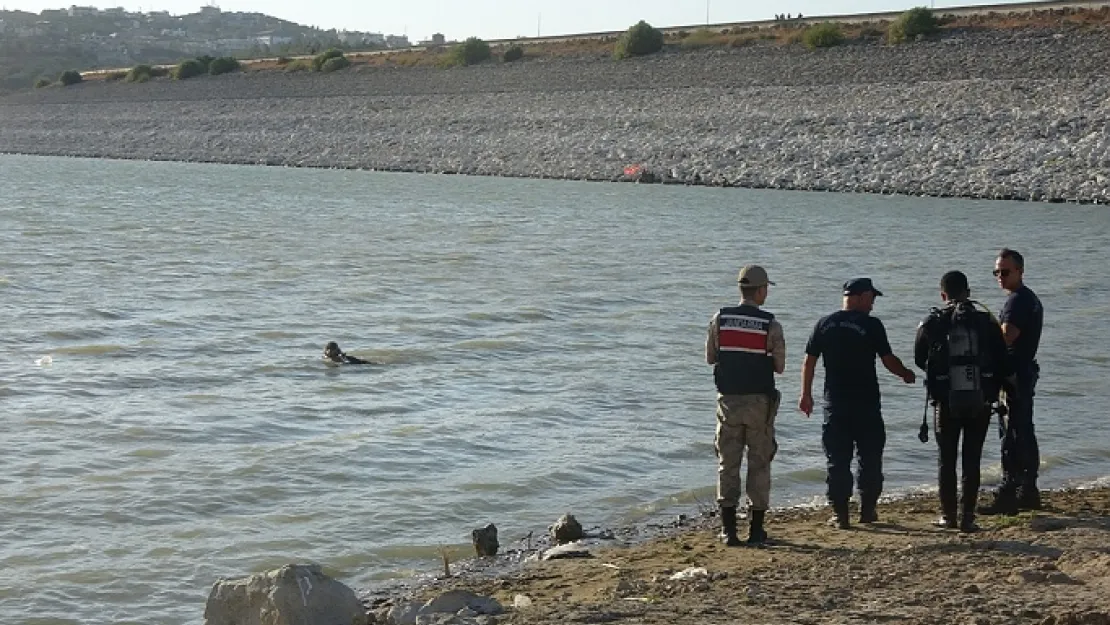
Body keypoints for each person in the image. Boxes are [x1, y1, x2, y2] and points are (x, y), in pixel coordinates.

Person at [798, 278, 916, 529]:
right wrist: (905, 373)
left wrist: (805, 394)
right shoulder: (871, 325)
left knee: (837, 459)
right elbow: (887, 359)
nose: (873, 304)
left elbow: (809, 361)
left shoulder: (824, 324)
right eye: (871, 298)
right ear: (860, 297)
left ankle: (841, 515)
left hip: (835, 403)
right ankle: (867, 510)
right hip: (866, 403)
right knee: (870, 457)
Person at [914, 271, 1012, 532]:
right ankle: (968, 517)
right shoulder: (986, 321)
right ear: (968, 292)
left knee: (946, 459)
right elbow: (1003, 360)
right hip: (980, 400)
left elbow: (918, 358)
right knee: (972, 458)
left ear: (943, 295)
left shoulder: (932, 322)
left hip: (946, 402)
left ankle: (948, 516)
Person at [706, 265, 786, 546]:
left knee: (727, 463)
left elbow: (710, 357)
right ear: (761, 290)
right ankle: (755, 531)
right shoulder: (770, 324)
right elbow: (780, 366)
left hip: (728, 401)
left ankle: (728, 531)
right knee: (759, 464)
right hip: (759, 403)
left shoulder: (721, 318)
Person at [981, 248, 1044, 515]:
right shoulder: (1026, 299)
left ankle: (1010, 491)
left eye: (1005, 272)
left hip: (1015, 375)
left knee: (1013, 434)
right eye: (996, 272)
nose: (1000, 276)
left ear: (1019, 271)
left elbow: (1007, 336)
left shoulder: (1018, 301)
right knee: (1023, 430)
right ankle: (1028, 490)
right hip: (1023, 373)